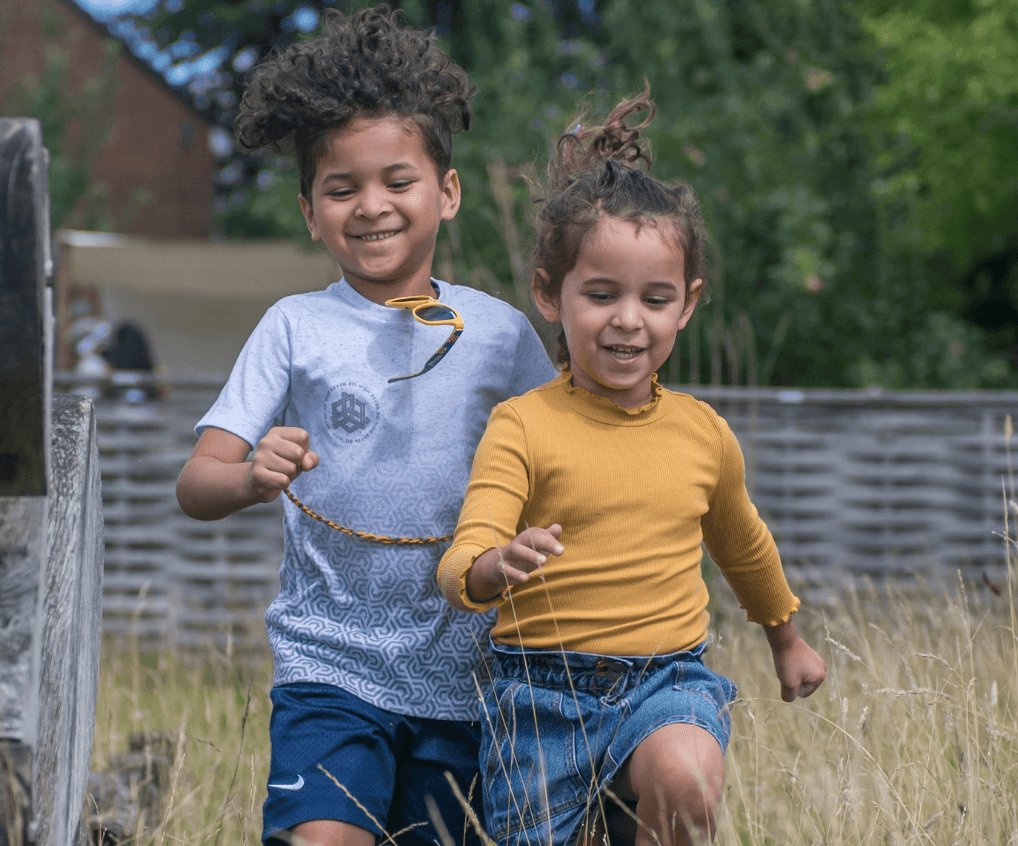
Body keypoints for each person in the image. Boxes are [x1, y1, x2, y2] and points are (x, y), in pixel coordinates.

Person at [175, 9, 559, 845]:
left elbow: (566, 460)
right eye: (341, 189)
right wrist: (248, 476)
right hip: (328, 666)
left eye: (397, 180)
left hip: (464, 675)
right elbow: (196, 483)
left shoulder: (498, 334)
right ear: (310, 211)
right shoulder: (292, 327)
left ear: (447, 192)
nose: (370, 206)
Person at [434, 91, 827, 846]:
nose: (628, 319)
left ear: (687, 304)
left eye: (656, 298)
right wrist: (493, 566)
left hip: (666, 680)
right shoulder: (522, 425)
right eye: (602, 294)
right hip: (539, 695)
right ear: (551, 294)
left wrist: (787, 639)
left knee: (685, 776)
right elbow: (460, 560)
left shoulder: (701, 433)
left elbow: (744, 545)